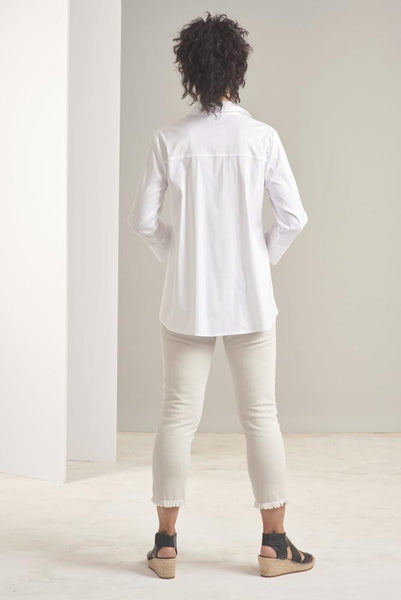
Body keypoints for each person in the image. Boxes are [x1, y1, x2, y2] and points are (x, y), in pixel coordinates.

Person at [128, 11, 315, 579]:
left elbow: (143, 223)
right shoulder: (261, 139)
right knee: (261, 416)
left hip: (186, 301)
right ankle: (274, 545)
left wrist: (179, 256)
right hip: (251, 301)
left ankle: (165, 545)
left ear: (188, 70)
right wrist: (259, 258)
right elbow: (293, 218)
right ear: (238, 67)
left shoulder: (169, 140)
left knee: (176, 416)